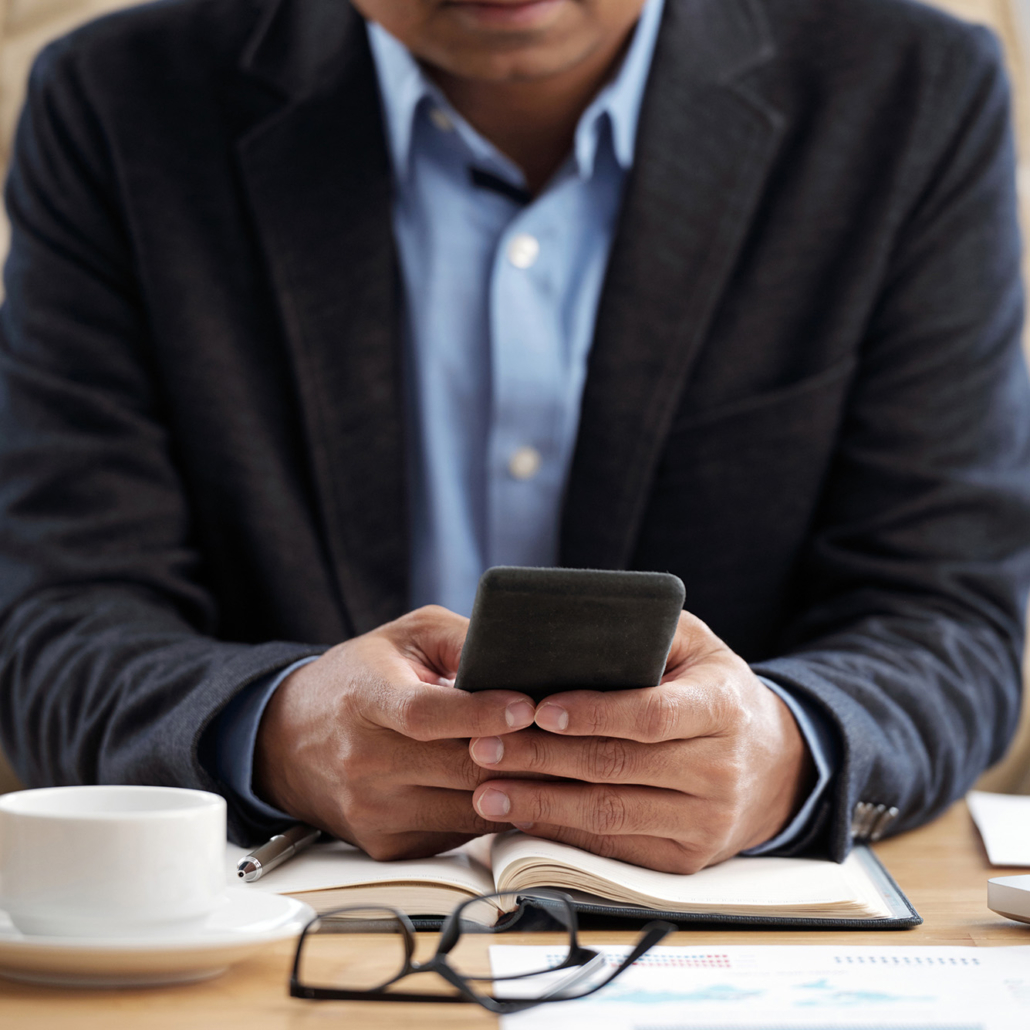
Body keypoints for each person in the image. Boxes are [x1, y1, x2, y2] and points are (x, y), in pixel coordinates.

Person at [1, 0, 1029, 873]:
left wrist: (788, 752)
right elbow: (56, 616)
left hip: (722, 943)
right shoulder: (117, 101)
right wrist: (271, 732)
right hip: (276, 929)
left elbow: (946, 613)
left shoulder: (910, 89)